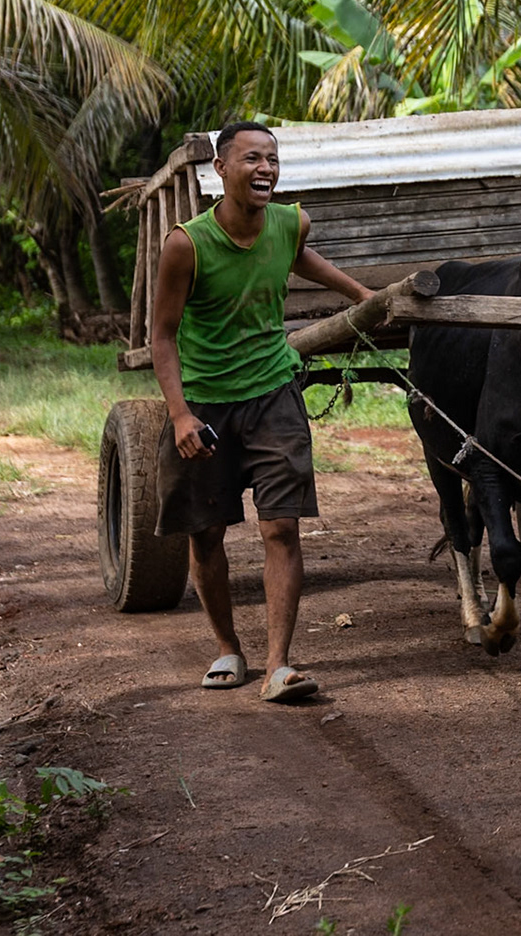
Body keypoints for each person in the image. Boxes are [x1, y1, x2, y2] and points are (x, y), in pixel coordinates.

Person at [150, 121, 374, 703]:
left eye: (272, 159)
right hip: (206, 404)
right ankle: (229, 649)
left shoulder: (290, 222)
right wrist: (180, 415)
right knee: (206, 535)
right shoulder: (186, 245)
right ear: (221, 168)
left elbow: (300, 258)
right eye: (252, 158)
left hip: (274, 394)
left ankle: (279, 665)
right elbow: (163, 336)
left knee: (281, 526)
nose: (266, 169)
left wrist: (364, 297)